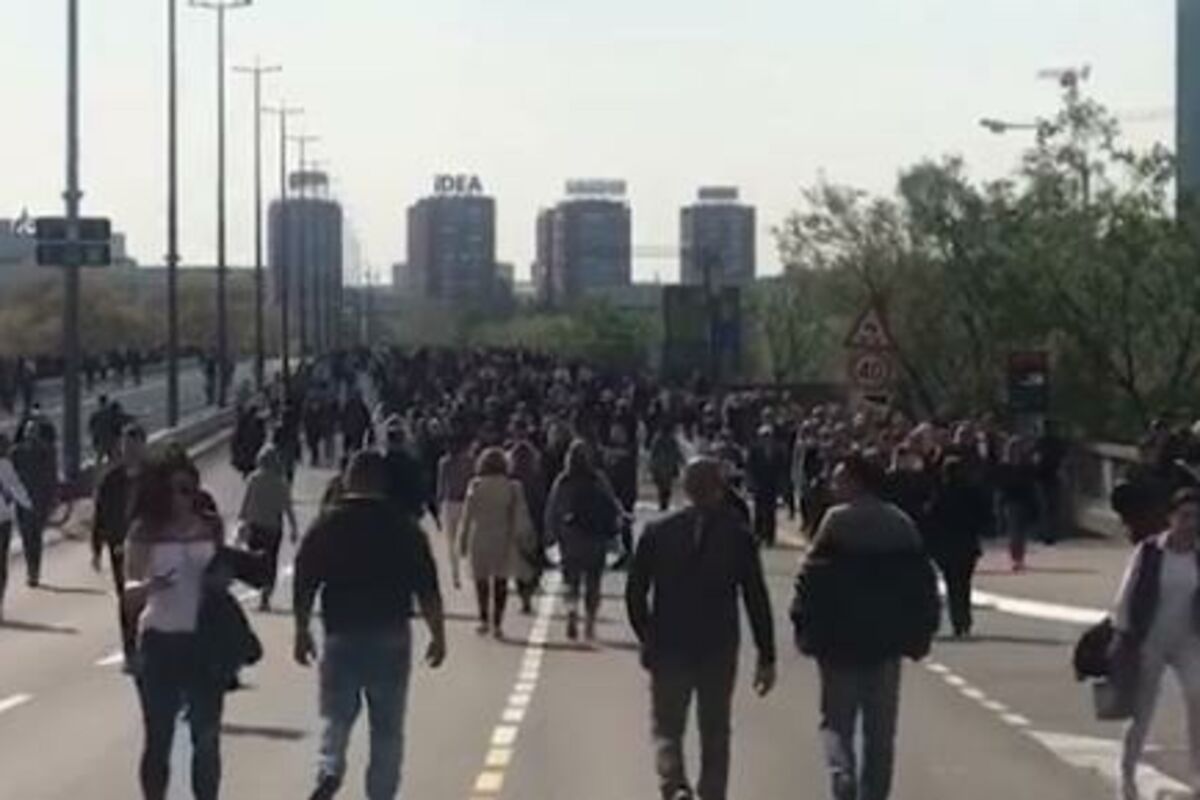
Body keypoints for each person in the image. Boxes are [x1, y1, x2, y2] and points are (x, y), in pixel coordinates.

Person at [293, 451, 447, 800]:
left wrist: (301, 631)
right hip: (390, 634)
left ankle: (330, 768)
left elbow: (305, 581)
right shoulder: (404, 527)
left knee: (336, 716)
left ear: (349, 479)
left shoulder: (328, 524)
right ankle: (380, 794)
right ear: (383, 483)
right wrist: (438, 635)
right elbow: (427, 586)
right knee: (387, 729)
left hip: (340, 633)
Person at [626, 457, 777, 800]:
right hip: (717, 645)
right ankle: (712, 792)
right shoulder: (738, 536)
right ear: (720, 489)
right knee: (715, 728)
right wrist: (766, 655)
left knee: (667, 727)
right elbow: (756, 597)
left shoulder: (658, 532)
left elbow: (635, 592)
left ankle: (674, 782)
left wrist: (647, 634)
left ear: (685, 487)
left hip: (669, 643)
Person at [790, 455, 939, 800]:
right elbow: (922, 582)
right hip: (886, 641)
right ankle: (876, 793)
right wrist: (922, 632)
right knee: (880, 732)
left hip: (839, 641)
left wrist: (804, 626)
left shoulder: (836, 521)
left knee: (836, 723)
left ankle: (842, 773)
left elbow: (810, 579)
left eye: (840, 479)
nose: (833, 486)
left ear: (858, 482)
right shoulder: (899, 523)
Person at [123, 452, 228, 800]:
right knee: (159, 737)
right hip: (159, 641)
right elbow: (128, 594)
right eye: (174, 490)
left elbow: (223, 572)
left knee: (207, 738)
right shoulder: (144, 530)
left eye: (188, 489)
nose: (182, 497)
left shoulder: (210, 526)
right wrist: (149, 586)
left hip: (204, 641)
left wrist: (222, 577)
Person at [1113, 488, 1200, 800]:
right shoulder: (1150, 551)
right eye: (1185, 516)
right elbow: (1126, 594)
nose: (1191, 524)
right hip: (1149, 639)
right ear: (1171, 518)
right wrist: (1123, 636)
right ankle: (1126, 775)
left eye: (1197, 517)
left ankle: (1197, 774)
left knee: (1198, 700)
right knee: (1142, 710)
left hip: (1188, 640)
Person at [546, 441, 622, 642]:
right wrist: (614, 534)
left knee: (571, 582)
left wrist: (552, 534)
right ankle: (589, 622)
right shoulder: (598, 479)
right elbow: (612, 505)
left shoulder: (564, 480)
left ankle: (572, 615)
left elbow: (553, 508)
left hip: (570, 538)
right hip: (595, 537)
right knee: (593, 582)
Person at [456, 447, 536, 639]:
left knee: (481, 581)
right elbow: (520, 514)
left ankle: (483, 619)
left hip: (479, 536)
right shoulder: (513, 487)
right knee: (501, 582)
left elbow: (467, 515)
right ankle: (497, 623)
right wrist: (524, 537)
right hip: (503, 537)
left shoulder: (475, 485)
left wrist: (462, 540)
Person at [92, 423, 147, 666]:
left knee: (151, 597)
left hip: (150, 546)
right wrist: (97, 547)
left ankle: (150, 644)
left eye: (134, 446)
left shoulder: (155, 477)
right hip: (120, 547)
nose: (129, 451)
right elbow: (100, 514)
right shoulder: (111, 480)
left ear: (143, 446)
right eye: (126, 446)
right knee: (127, 598)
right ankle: (130, 648)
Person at [926, 456, 987, 638]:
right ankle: (965, 620)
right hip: (967, 543)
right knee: (964, 583)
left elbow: (931, 517)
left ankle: (957, 621)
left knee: (952, 584)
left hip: (947, 544)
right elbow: (982, 515)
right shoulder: (972, 492)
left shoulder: (940, 493)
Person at [238, 446, 298, 612]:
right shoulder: (281, 482)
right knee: (271, 561)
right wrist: (293, 527)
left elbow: (246, 502)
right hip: (273, 528)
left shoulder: (254, 479)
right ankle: (266, 593)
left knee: (255, 560)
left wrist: (242, 522)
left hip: (256, 526)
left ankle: (259, 585)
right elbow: (288, 507)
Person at [12, 419, 57, 588]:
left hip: (39, 500)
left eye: (33, 431)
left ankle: (34, 571)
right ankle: (30, 568)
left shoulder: (45, 451)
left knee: (35, 536)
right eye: (28, 431)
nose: (31, 434)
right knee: (26, 535)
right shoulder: (16, 452)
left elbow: (51, 475)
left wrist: (52, 497)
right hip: (22, 499)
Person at [0, 433, 32, 622]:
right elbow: (16, 488)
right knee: (1, 564)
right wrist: (29, 505)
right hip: (3, 520)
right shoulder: (5, 466)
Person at [436, 435, 474, 590]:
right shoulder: (469, 461)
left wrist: (438, 506)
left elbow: (440, 486)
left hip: (450, 503)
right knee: (466, 539)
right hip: (463, 502)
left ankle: (456, 574)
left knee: (452, 541)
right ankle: (465, 571)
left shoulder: (444, 463)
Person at [649, 426, 685, 512]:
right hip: (666, 466)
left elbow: (653, 453)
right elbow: (677, 452)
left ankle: (663, 503)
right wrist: (682, 461)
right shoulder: (668, 440)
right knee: (665, 486)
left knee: (663, 486)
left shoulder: (659, 440)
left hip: (662, 466)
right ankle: (664, 503)